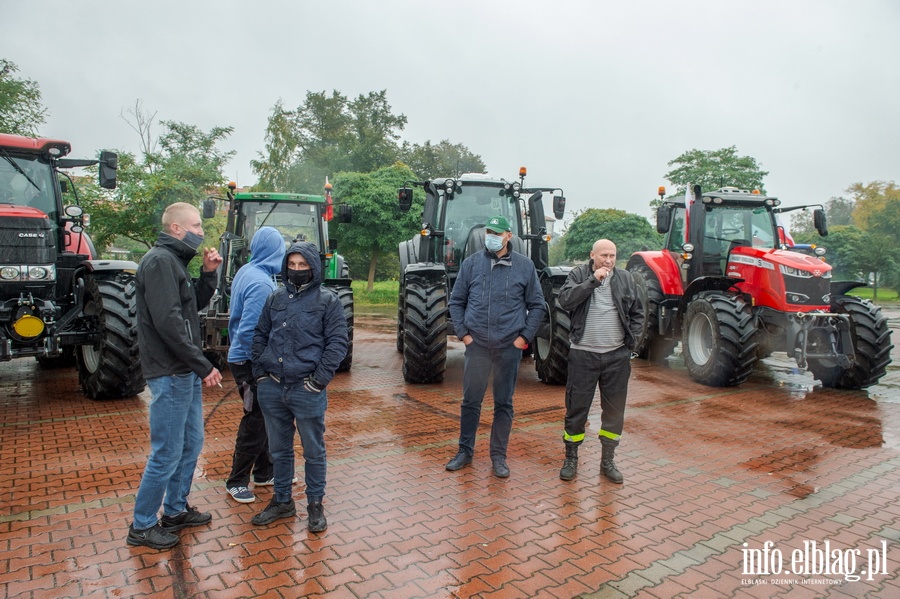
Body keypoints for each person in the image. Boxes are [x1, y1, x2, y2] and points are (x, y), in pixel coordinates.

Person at [127, 202, 223, 550]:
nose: (201, 231)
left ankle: (176, 510)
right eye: (196, 225)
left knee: (191, 443)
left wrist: (209, 273)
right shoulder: (159, 262)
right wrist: (202, 364)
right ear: (177, 229)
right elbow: (169, 324)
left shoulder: (175, 263)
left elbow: (190, 306)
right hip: (170, 371)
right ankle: (142, 525)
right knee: (167, 450)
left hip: (182, 370)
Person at [250, 241, 348, 532]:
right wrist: (259, 374)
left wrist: (317, 381)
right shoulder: (275, 298)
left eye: (302, 266)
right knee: (279, 451)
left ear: (313, 268)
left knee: (313, 451)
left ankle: (315, 505)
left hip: (306, 389)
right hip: (272, 387)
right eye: (291, 266)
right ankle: (282, 501)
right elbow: (260, 335)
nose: (296, 271)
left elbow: (338, 343)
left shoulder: (327, 301)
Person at [445, 215, 545, 478]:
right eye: (489, 231)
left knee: (503, 403)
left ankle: (498, 457)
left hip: (508, 348)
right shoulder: (471, 264)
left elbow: (537, 305)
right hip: (477, 346)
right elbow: (456, 302)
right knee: (470, 402)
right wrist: (464, 335)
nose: (492, 236)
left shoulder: (525, 267)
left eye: (497, 232)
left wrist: (523, 339)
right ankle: (465, 452)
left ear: (508, 236)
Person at [557, 239, 644, 484]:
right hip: (583, 355)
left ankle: (608, 460)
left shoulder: (626, 278)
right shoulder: (578, 274)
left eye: (613, 255)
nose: (608, 260)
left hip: (616, 356)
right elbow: (565, 301)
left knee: (614, 412)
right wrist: (593, 281)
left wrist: (632, 343)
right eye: (604, 255)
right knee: (576, 410)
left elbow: (638, 313)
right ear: (592, 255)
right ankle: (571, 458)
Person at [224, 227, 286, 503]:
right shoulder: (262, 284)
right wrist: (262, 367)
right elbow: (251, 331)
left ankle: (263, 472)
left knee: (262, 417)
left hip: (244, 359)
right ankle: (236, 480)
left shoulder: (247, 270)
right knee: (255, 419)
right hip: (250, 363)